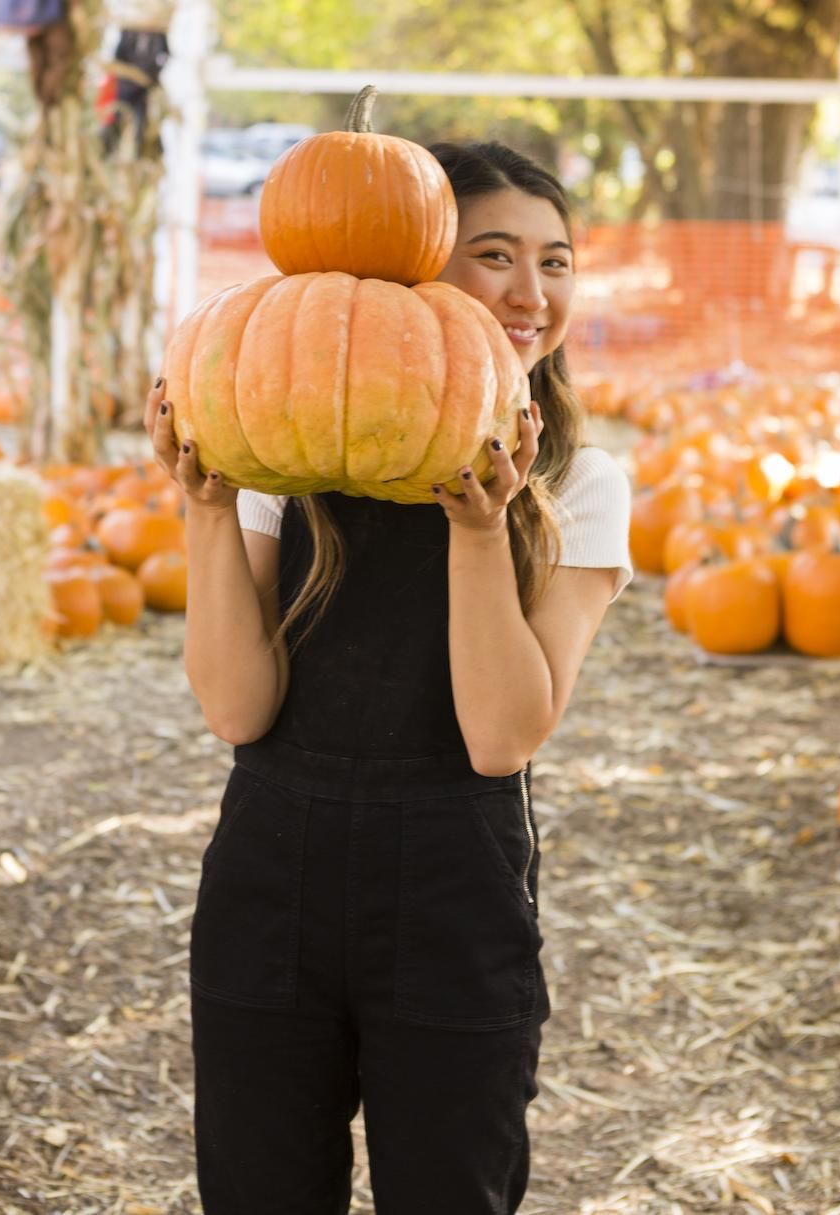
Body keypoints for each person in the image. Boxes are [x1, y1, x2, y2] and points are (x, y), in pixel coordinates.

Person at [143, 140, 633, 1215]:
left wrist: (477, 532)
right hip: (271, 871)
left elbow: (502, 738)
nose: (528, 292)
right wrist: (209, 510)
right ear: (412, 272)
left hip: (455, 889)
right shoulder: (284, 459)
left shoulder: (577, 487)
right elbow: (237, 708)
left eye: (555, 262)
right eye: (492, 255)